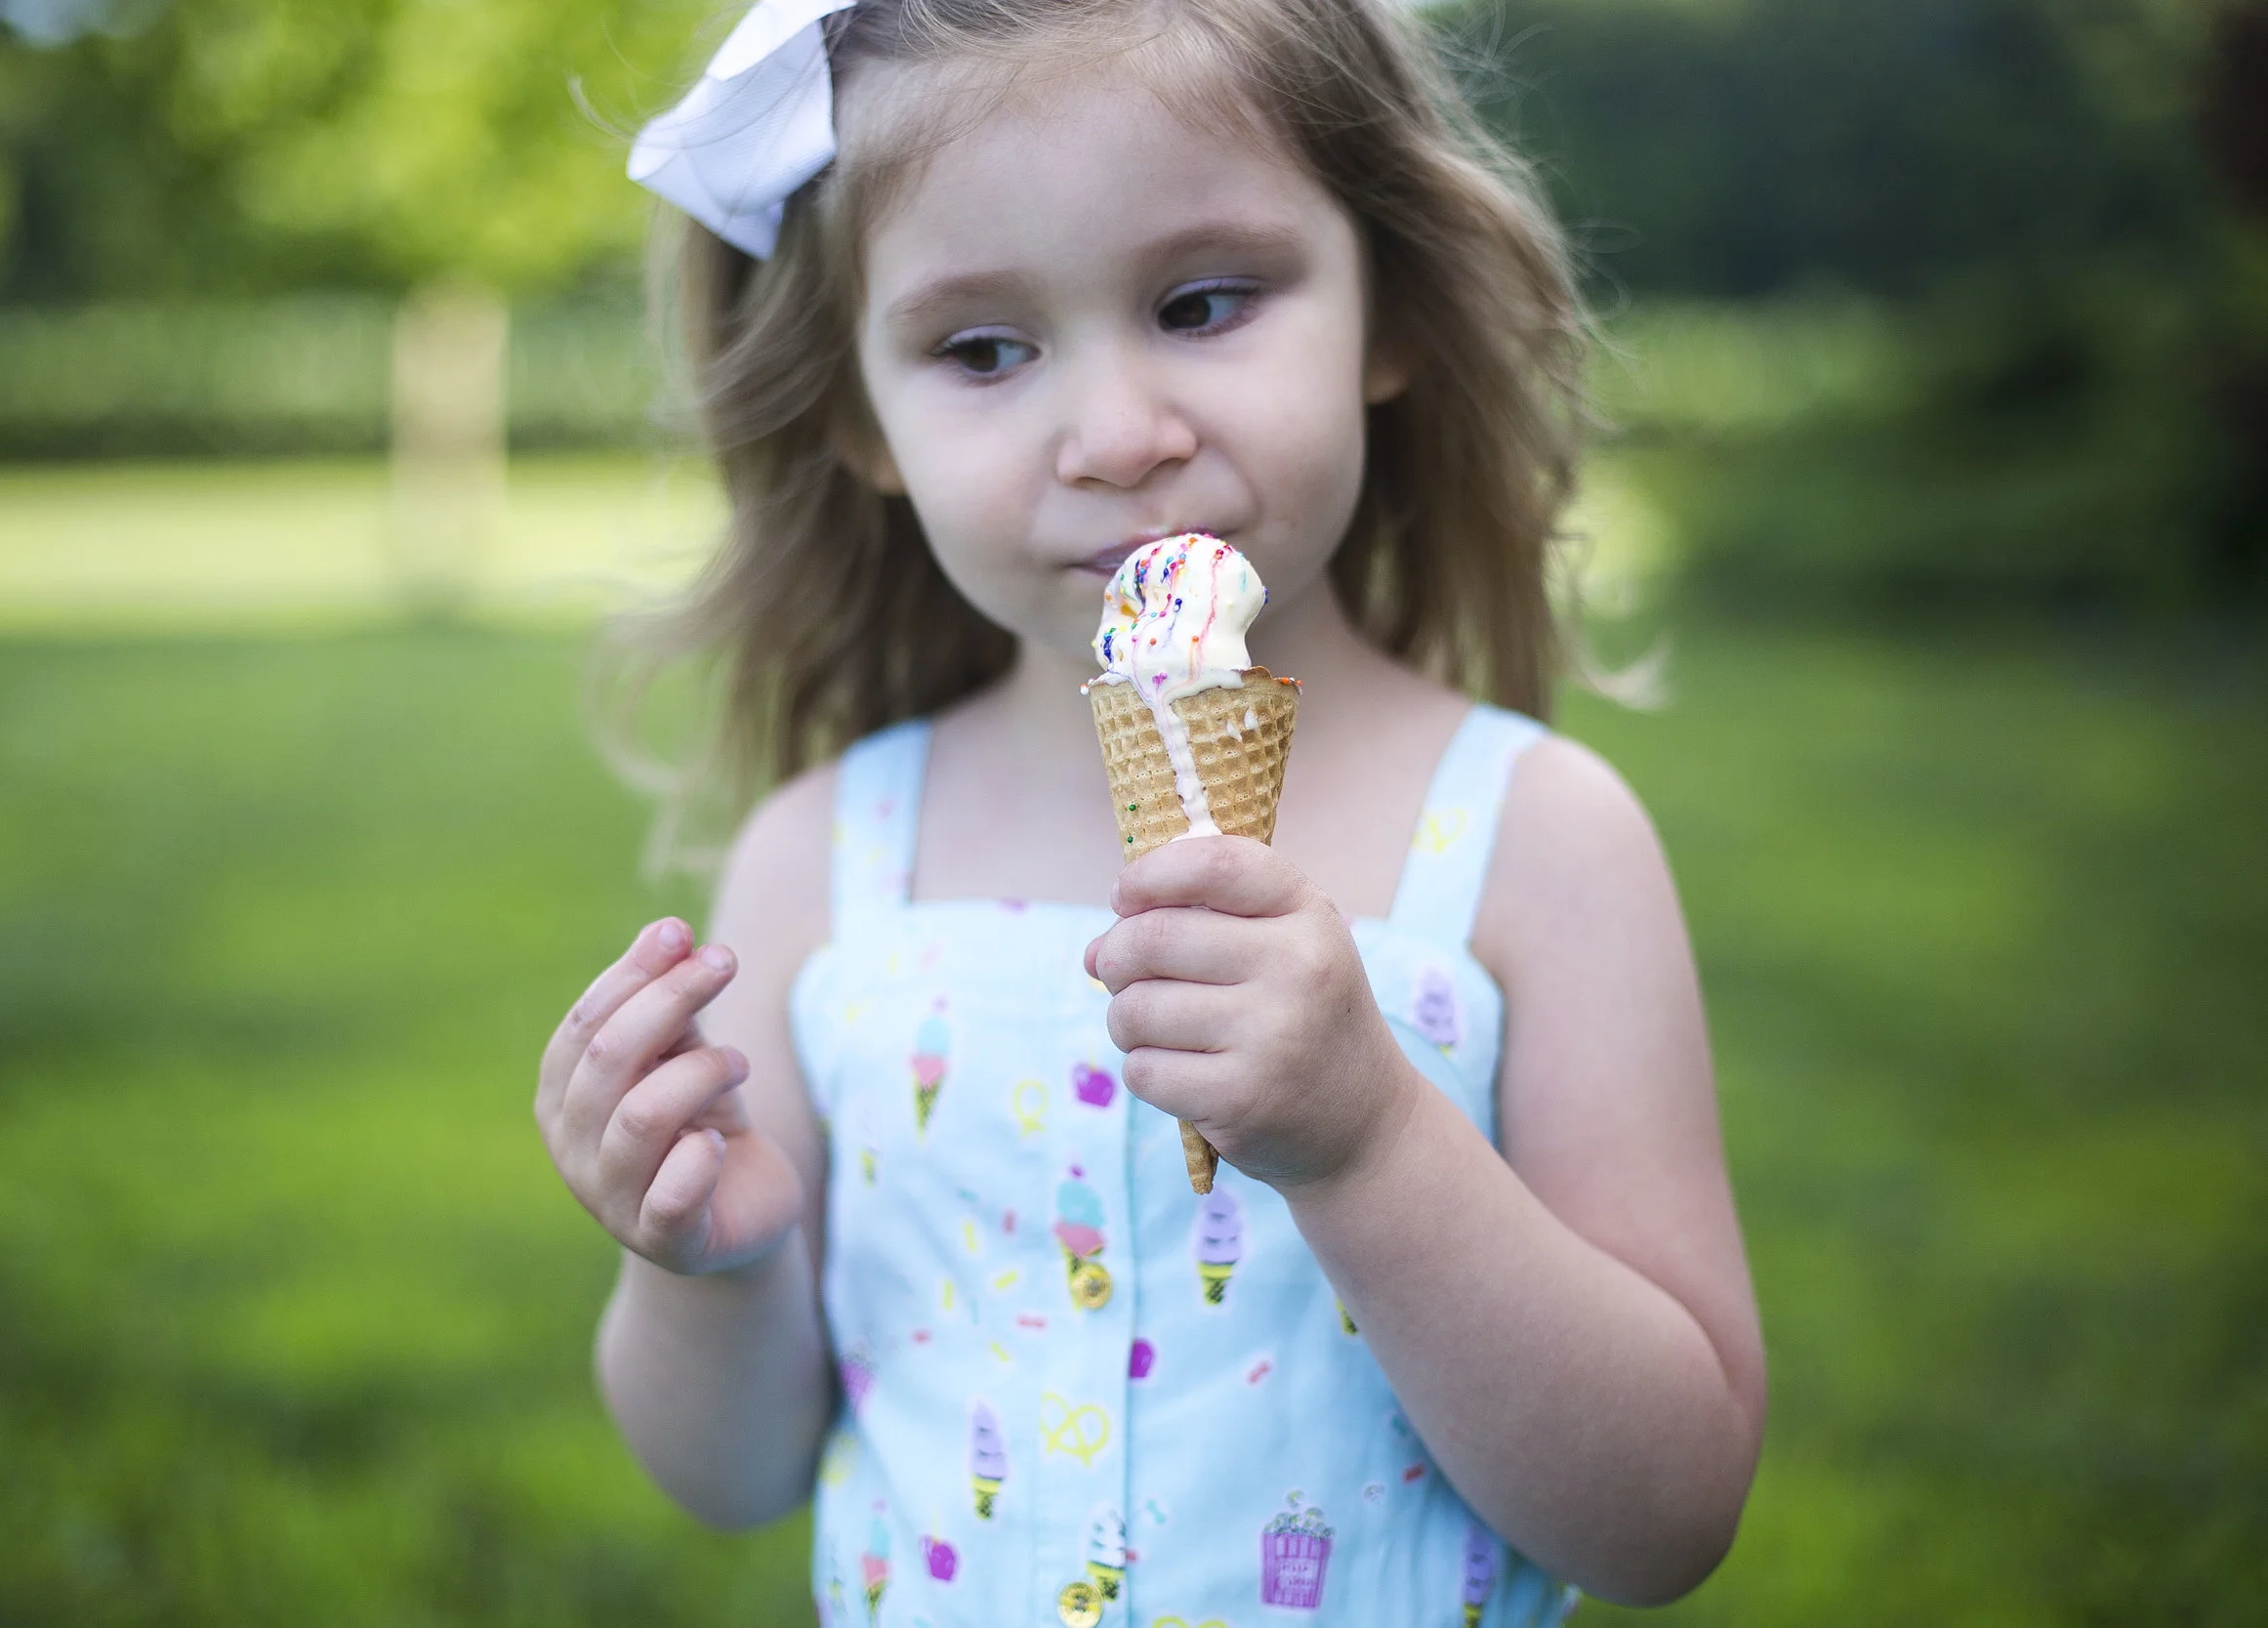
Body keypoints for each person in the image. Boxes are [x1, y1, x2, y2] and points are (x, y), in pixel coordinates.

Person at [535, 0, 1765, 1621]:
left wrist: (1371, 1140)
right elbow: (731, 1473)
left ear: (1389, 308)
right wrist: (713, 1260)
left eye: (1202, 303)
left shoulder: (1538, 841)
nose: (1119, 438)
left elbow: (1666, 1511)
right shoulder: (821, 864)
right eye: (983, 350)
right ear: (858, 416)